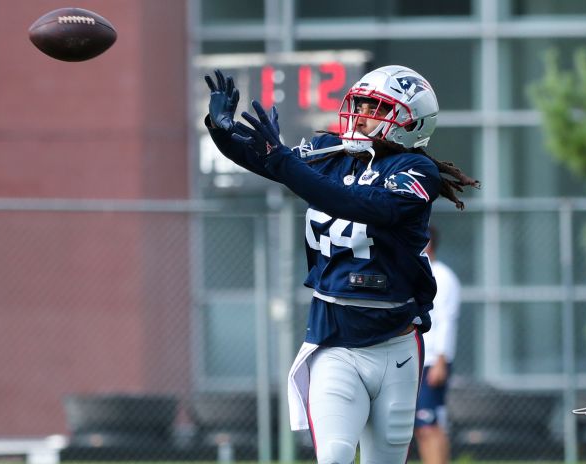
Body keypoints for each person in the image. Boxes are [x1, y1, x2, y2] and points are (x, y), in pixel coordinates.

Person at [203, 65, 479, 464]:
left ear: (410, 121)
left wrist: (284, 161)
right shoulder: (330, 153)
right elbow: (264, 160)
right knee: (333, 457)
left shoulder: (417, 171)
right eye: (360, 104)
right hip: (335, 341)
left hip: (396, 347)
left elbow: (361, 205)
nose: (360, 114)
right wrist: (221, 129)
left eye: (375, 108)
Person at [414, 226, 461, 464]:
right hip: (415, 360)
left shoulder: (442, 277)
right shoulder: (416, 273)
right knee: (421, 427)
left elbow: (446, 320)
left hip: (432, 362)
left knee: (430, 425)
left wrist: (441, 361)